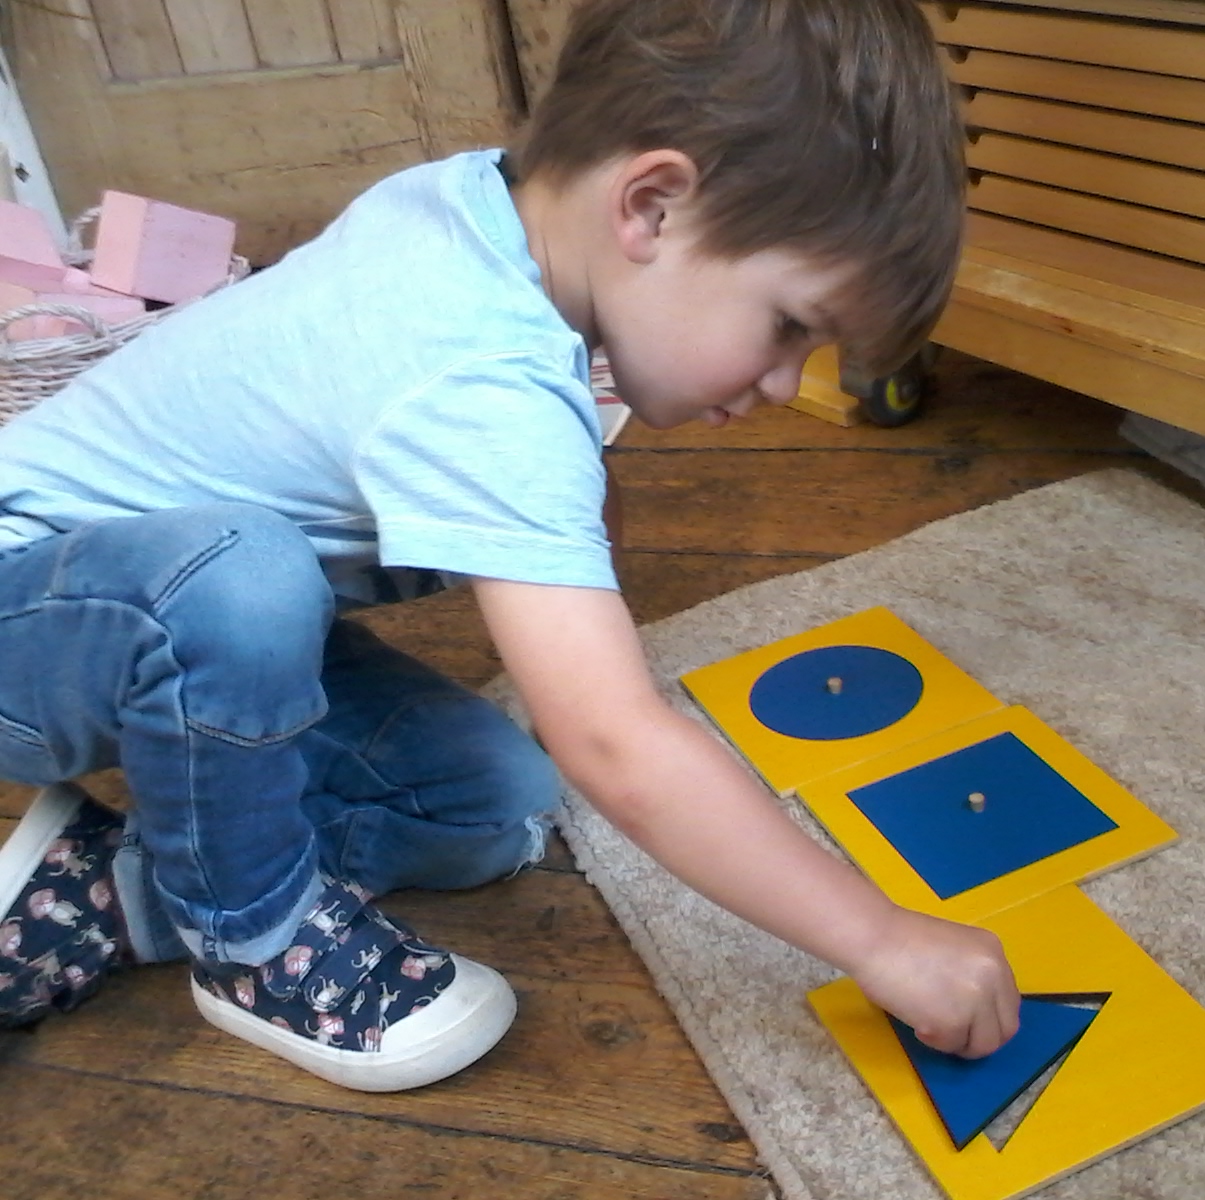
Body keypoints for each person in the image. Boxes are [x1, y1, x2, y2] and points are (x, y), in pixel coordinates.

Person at [0, 0, 1020, 1092]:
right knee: (242, 579)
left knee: (491, 801)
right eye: (788, 326)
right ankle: (252, 944)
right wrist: (882, 939)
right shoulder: (475, 370)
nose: (783, 383)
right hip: (40, 615)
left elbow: (552, 539)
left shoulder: (477, 211)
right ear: (652, 205)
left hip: (182, 619)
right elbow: (615, 743)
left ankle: (106, 887)